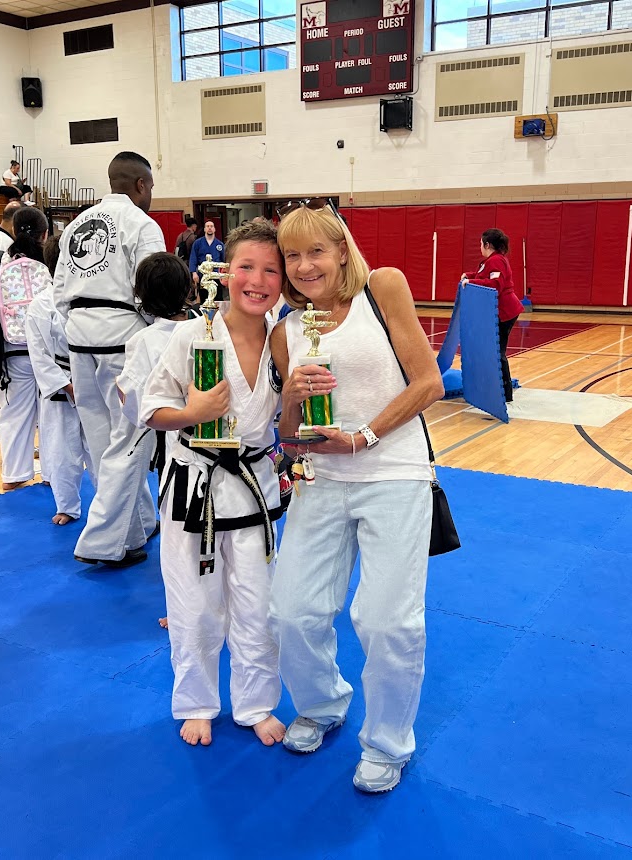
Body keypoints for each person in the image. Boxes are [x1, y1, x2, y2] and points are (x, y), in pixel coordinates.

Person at [267, 201, 444, 794]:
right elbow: (289, 436)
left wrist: (364, 436)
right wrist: (291, 395)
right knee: (290, 609)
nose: (304, 266)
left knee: (388, 621)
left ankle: (389, 743)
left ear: (342, 249)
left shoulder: (382, 288)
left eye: (315, 250)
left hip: (394, 472)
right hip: (320, 479)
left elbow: (429, 382)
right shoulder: (286, 329)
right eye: (292, 255)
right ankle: (321, 703)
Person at [141, 220, 286, 749]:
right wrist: (192, 411)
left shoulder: (286, 340)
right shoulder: (190, 334)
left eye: (271, 270)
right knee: (195, 604)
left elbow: (287, 419)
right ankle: (197, 701)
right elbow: (149, 409)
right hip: (193, 490)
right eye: (246, 266)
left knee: (256, 603)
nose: (257, 280)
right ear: (225, 273)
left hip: (253, 489)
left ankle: (256, 703)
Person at [53, 150, 166, 567]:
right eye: (151, 187)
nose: (151, 194)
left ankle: (137, 527)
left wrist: (78, 326)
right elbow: (152, 288)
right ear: (139, 185)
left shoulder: (77, 224)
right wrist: (157, 334)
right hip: (124, 343)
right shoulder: (142, 223)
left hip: (79, 340)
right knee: (131, 443)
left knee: (102, 446)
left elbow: (59, 287)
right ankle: (103, 543)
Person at [115, 252, 197, 629]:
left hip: (174, 446)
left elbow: (132, 400)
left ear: (141, 296)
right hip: (218, 441)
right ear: (190, 288)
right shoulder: (209, 325)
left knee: (178, 532)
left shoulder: (144, 340)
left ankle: (181, 610)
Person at [25, 235, 91, 524]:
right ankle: (67, 506)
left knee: (100, 449)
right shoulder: (40, 305)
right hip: (61, 384)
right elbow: (39, 355)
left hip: (92, 379)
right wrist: (66, 385)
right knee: (62, 450)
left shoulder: (90, 297)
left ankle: (111, 506)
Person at [0, 207, 51, 490]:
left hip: (12, 350)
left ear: (14, 231)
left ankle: (13, 478)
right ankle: (55, 474)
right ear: (45, 234)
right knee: (53, 419)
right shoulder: (53, 262)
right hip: (50, 355)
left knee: (14, 416)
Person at [461, 228, 524, 403]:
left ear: (487, 244)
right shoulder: (489, 261)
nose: (479, 247)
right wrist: (469, 275)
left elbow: (495, 284)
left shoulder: (496, 260)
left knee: (498, 352)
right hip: (497, 312)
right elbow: (484, 276)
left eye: (481, 244)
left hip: (505, 312)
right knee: (493, 351)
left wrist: (471, 282)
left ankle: (506, 393)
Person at [189, 220, 225, 295]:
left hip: (216, 275)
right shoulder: (198, 243)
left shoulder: (220, 244)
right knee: (204, 297)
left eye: (211, 226)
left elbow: (223, 260)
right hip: (203, 275)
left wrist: (224, 274)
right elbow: (193, 258)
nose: (209, 228)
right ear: (204, 229)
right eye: (207, 226)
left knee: (217, 296)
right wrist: (194, 273)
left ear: (214, 229)